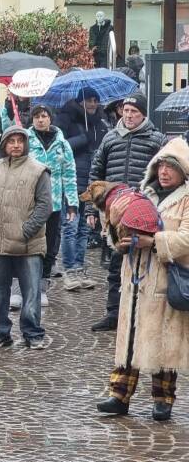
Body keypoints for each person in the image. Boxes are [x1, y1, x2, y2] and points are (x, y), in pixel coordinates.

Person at [96, 137, 189, 421]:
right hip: (135, 279)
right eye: (161, 165)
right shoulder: (142, 195)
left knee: (163, 342)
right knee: (129, 339)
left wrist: (154, 241)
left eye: (171, 167)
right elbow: (116, 228)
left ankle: (163, 400)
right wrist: (118, 241)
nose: (164, 171)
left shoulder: (186, 200)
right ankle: (119, 395)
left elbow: (186, 238)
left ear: (183, 171)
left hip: (163, 279)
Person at [87, 93, 166, 332]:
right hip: (114, 212)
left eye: (134, 112)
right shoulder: (110, 139)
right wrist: (91, 210)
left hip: (144, 210)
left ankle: (141, 314)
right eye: (126, 111)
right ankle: (114, 313)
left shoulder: (156, 140)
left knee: (143, 263)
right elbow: (96, 173)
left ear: (143, 114)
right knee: (114, 263)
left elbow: (165, 175)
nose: (129, 115)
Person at [0, 126, 52, 350]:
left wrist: (26, 230)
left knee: (31, 292)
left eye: (19, 141)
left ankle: (32, 332)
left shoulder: (38, 171)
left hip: (28, 244)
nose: (16, 145)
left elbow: (45, 206)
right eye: (11, 141)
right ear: (3, 144)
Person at [55, 86, 111, 290]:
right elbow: (59, 147)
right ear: (80, 101)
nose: (93, 104)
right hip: (71, 181)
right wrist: (82, 139)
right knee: (70, 226)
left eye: (96, 100)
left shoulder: (100, 123)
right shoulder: (65, 119)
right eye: (89, 100)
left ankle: (79, 268)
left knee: (84, 228)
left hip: (91, 181)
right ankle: (69, 269)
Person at [24, 105, 78, 302]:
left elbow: (69, 175)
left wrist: (72, 203)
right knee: (26, 244)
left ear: (50, 119)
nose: (40, 120)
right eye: (37, 117)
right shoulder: (25, 141)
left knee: (49, 246)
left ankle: (42, 287)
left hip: (54, 204)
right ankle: (20, 287)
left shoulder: (62, 144)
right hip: (29, 203)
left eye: (44, 116)